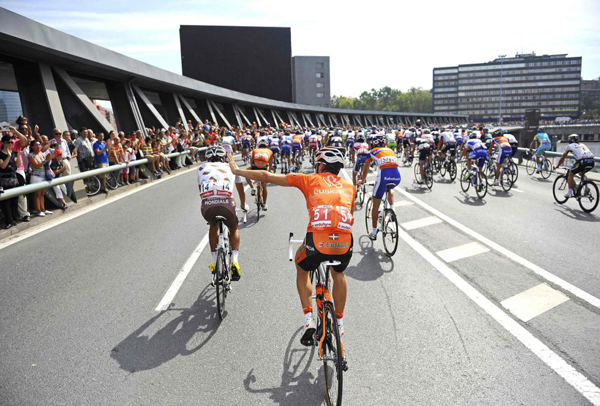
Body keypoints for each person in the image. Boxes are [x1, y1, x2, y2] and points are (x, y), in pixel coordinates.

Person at [227, 147, 354, 345]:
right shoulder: (349, 187)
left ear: (320, 165)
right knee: (338, 273)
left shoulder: (308, 179)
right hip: (345, 244)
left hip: (316, 243)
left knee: (302, 267)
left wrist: (237, 171)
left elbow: (264, 175)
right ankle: (340, 322)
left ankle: (308, 320)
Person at [198, 146, 241, 281]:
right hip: (227, 205)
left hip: (208, 205)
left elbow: (201, 191)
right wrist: (244, 205)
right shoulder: (231, 167)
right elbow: (241, 190)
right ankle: (234, 259)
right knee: (234, 227)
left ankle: (213, 259)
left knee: (213, 225)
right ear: (224, 157)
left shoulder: (201, 168)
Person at [358, 135, 401, 241]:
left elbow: (366, 168)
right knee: (390, 188)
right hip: (397, 177)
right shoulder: (391, 150)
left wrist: (362, 181)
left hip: (383, 177)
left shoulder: (372, 152)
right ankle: (392, 208)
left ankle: (373, 232)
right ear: (385, 144)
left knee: (375, 205)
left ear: (373, 144)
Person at [556, 134, 595, 198]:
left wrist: (557, 165)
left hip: (582, 161)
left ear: (570, 140)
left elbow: (562, 158)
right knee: (581, 173)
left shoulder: (569, 146)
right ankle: (586, 188)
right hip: (592, 161)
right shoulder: (582, 144)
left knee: (570, 174)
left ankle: (569, 193)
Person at [27, 139, 56, 216]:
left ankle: (43, 209)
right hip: (36, 176)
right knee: (37, 195)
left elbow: (46, 163)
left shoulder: (41, 153)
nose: (38, 146)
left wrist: (49, 158)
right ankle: (38, 210)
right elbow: (37, 165)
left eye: (39, 145)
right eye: (36, 145)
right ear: (32, 147)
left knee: (42, 194)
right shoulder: (31, 155)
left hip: (43, 176)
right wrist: (46, 159)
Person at [0, 134, 19, 228]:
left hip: (13, 179)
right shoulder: (0, 154)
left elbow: (18, 164)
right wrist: (8, 156)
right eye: (8, 142)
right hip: (4, 180)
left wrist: (18, 156)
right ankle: (9, 221)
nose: (10, 144)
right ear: (3, 143)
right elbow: (3, 166)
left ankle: (14, 219)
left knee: (14, 201)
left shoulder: (14, 152)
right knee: (6, 203)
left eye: (11, 142)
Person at [250, 138, 273, 210]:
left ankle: (252, 187)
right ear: (266, 146)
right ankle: (265, 204)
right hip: (264, 168)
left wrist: (251, 169)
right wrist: (269, 170)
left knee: (246, 173)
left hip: (255, 167)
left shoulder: (255, 150)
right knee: (264, 186)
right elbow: (270, 163)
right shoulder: (269, 151)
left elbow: (251, 161)